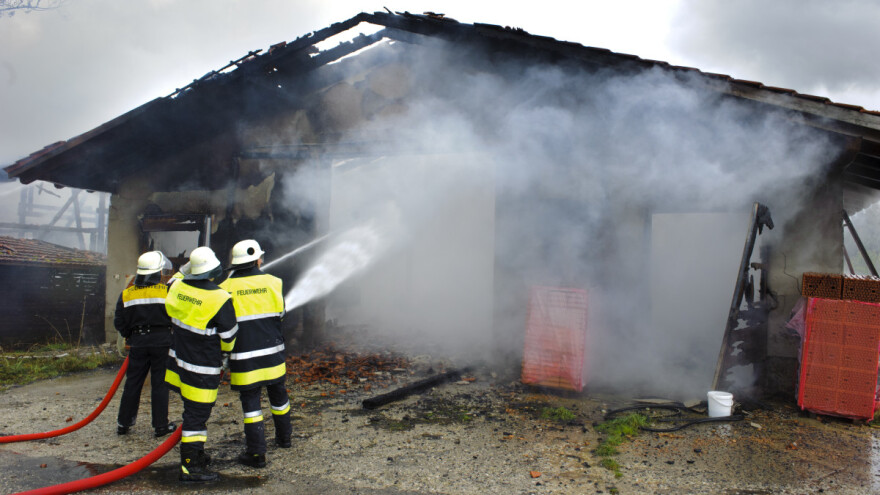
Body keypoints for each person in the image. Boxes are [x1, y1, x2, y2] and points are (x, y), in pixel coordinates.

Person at [164, 246, 238, 482]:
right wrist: (225, 354)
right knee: (196, 416)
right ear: (214, 270)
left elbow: (175, 278)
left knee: (191, 410)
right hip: (202, 368)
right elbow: (229, 337)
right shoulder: (220, 298)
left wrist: (188, 266)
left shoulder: (177, 287)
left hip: (179, 362)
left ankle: (196, 455)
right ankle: (190, 466)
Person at [219, 239, 291, 468]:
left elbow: (223, 326)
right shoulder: (274, 282)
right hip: (273, 353)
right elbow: (281, 314)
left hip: (243, 357)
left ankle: (257, 453)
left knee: (251, 403)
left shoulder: (224, 289)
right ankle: (284, 439)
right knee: (279, 397)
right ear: (258, 260)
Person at [114, 251, 176, 437]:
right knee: (160, 384)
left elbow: (119, 322)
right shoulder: (167, 292)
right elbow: (176, 317)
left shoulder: (126, 294)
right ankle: (160, 426)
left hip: (138, 343)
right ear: (158, 272)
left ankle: (123, 424)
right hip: (162, 342)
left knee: (132, 383)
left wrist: (131, 336)